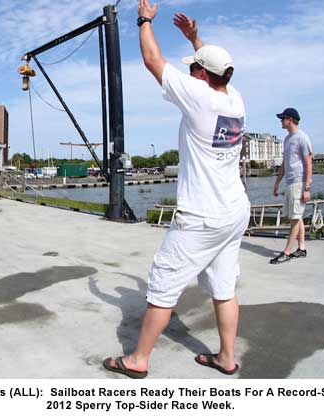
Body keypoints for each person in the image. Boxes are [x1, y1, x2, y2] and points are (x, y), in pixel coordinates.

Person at [102, 1, 250, 378]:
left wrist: (144, 20)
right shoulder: (235, 100)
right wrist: (196, 39)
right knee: (224, 286)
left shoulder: (199, 98)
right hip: (234, 212)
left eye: (195, 68)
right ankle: (226, 357)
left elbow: (153, 61)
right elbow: (217, 70)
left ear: (201, 75)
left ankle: (137, 360)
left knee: (163, 285)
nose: (191, 73)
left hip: (201, 216)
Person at [270, 108, 313, 264]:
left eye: (283, 118)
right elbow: (284, 163)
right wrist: (277, 182)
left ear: (290, 119)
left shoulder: (302, 138)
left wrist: (307, 188)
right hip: (289, 183)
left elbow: (309, 163)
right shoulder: (287, 139)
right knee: (296, 216)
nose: (281, 121)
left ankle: (286, 252)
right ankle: (301, 248)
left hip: (298, 183)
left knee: (294, 219)